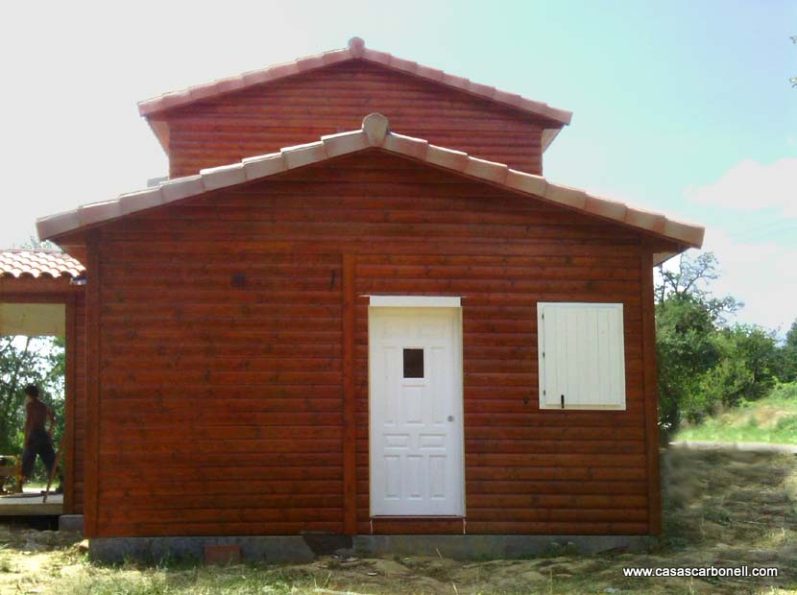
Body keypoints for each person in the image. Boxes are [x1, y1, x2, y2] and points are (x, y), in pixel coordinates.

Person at [21, 384, 56, 486]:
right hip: (43, 434)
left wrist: (26, 438)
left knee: (27, 458)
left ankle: (22, 481)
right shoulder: (44, 405)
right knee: (50, 458)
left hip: (34, 434)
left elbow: (28, 422)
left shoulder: (30, 405)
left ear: (29, 395)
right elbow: (53, 421)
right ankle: (61, 480)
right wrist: (49, 432)